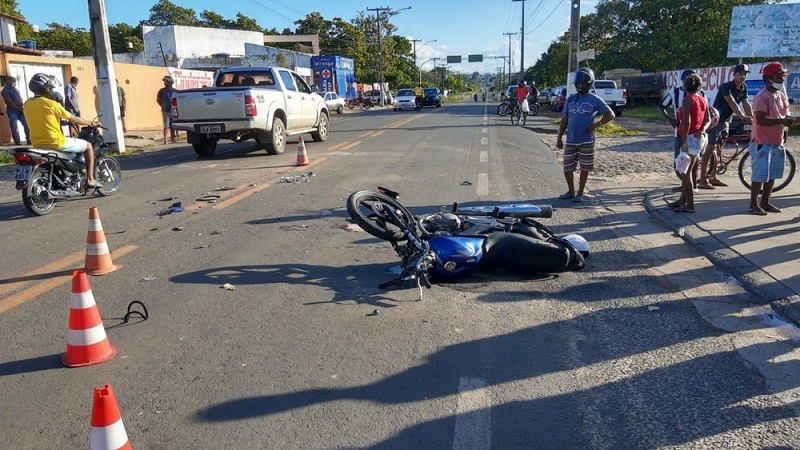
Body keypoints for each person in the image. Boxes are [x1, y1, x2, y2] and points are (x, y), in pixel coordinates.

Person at [23, 73, 102, 188]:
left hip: (37, 143)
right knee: (88, 146)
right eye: (51, 88)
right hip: (56, 142)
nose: (52, 90)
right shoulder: (51, 104)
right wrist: (92, 123)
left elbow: (42, 119)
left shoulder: (27, 104)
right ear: (46, 88)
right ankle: (90, 179)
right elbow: (75, 119)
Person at [747, 62, 800, 215]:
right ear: (768, 79)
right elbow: (762, 119)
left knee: (772, 174)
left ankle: (765, 202)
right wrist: (782, 121)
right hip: (761, 141)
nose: (782, 80)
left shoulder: (781, 96)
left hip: (777, 141)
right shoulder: (761, 97)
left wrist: (790, 121)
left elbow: (783, 116)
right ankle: (753, 204)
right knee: (759, 174)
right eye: (779, 77)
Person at [556, 67, 615, 203]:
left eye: (584, 84)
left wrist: (595, 125)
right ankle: (571, 191)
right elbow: (564, 119)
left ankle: (580, 193)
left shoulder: (595, 100)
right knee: (567, 168)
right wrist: (559, 138)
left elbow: (610, 114)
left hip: (586, 140)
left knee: (584, 167)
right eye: (579, 83)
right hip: (571, 139)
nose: (581, 86)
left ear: (590, 84)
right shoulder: (571, 99)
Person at [698, 64, 753, 189]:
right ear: (734, 74)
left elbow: (746, 103)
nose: (743, 76)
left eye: (745, 74)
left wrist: (752, 117)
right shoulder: (726, 86)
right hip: (716, 120)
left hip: (727, 121)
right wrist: (742, 116)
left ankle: (713, 177)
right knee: (710, 149)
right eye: (740, 73)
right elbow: (731, 101)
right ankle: (702, 179)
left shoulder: (744, 87)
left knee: (719, 149)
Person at [659, 69, 707, 191]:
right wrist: (670, 119)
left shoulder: (698, 96)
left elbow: (688, 120)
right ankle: (685, 189)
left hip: (689, 135)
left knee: (688, 164)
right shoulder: (675, 93)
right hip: (686, 133)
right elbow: (661, 106)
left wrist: (690, 136)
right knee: (681, 162)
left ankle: (689, 189)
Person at [671, 73, 710, 213]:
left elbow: (686, 121)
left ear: (685, 86)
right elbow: (708, 119)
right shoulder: (702, 100)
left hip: (691, 138)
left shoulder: (688, 100)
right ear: (699, 87)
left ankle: (690, 205)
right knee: (685, 169)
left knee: (685, 173)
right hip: (699, 137)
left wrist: (685, 140)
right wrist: (703, 130)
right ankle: (683, 200)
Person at [2, 76, 31, 145]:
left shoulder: (15, 89)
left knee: (26, 124)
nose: (14, 83)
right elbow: (9, 102)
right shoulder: (5, 90)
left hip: (20, 110)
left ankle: (29, 139)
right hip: (12, 111)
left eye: (14, 81)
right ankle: (17, 142)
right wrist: (20, 109)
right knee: (14, 127)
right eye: (12, 81)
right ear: (7, 81)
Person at [156, 75, 177, 144]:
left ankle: (172, 138)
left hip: (173, 110)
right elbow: (158, 99)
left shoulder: (174, 91)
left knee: (172, 125)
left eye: (166, 81)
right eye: (165, 81)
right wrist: (162, 105)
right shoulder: (162, 91)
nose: (165, 83)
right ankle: (165, 139)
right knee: (166, 125)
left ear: (170, 82)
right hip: (165, 110)